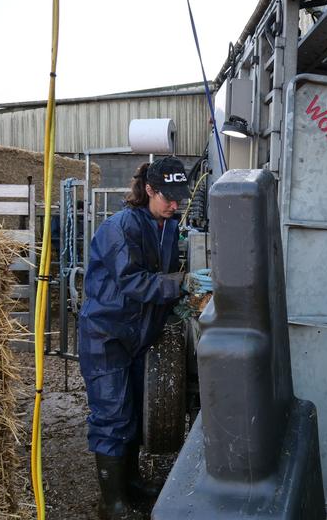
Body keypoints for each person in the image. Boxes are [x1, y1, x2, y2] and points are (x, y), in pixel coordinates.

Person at [78, 156, 189, 520]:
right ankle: (110, 503)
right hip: (106, 333)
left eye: (180, 197)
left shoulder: (166, 226)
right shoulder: (120, 227)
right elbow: (133, 282)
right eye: (168, 197)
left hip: (139, 334)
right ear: (149, 190)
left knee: (134, 413)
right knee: (112, 414)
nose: (175, 204)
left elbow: (163, 272)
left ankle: (132, 482)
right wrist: (181, 284)